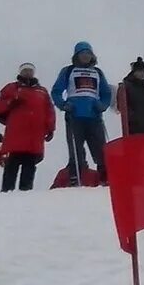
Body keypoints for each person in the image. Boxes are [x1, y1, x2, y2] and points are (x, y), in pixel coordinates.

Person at [51, 41, 112, 186]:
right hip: (74, 116)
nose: (85, 56)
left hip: (94, 116)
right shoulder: (68, 71)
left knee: (100, 150)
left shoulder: (97, 72)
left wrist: (102, 105)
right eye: (82, 53)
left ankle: (105, 178)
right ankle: (74, 179)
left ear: (92, 56)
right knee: (75, 150)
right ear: (76, 55)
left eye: (88, 53)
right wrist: (64, 104)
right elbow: (56, 91)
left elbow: (106, 93)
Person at [0, 63, 55, 191]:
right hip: (15, 135)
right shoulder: (11, 88)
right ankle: (6, 191)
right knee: (11, 165)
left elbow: (49, 110)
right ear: (20, 72)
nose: (27, 73)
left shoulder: (42, 91)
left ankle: (25, 193)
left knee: (30, 166)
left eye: (30, 70)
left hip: (34, 136)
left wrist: (50, 128)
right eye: (25, 70)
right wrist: (11, 102)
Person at [121, 57, 144, 134]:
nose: (142, 73)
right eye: (139, 71)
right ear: (134, 72)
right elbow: (122, 106)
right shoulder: (126, 87)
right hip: (134, 130)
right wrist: (134, 119)